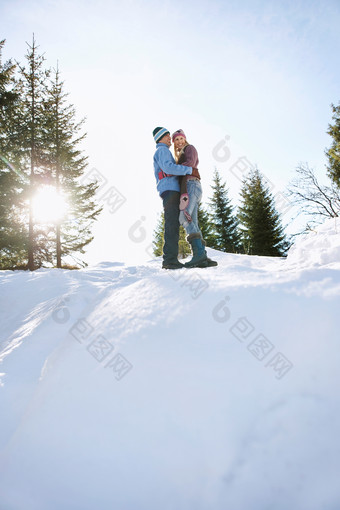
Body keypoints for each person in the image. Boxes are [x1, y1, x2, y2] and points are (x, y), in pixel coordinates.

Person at [153, 126, 199, 269]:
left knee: (175, 223)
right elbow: (168, 168)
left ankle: (174, 258)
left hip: (171, 190)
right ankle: (170, 260)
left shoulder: (163, 151)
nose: (169, 139)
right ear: (160, 138)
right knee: (172, 224)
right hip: (170, 190)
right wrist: (189, 169)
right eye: (167, 136)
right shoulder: (162, 150)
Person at [172, 129, 217, 268]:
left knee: (183, 218)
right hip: (191, 187)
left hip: (192, 185)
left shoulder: (189, 149)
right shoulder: (181, 155)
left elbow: (190, 163)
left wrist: (174, 168)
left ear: (185, 139)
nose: (179, 142)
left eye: (181, 138)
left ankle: (198, 255)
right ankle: (202, 257)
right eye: (176, 140)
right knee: (194, 222)